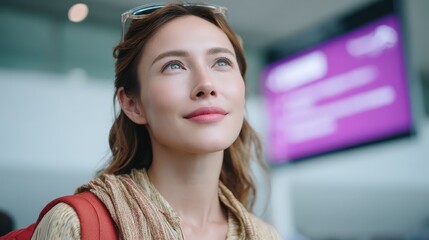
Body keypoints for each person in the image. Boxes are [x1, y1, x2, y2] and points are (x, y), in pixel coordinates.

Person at [31, 2, 281, 239]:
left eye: (222, 62)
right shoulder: (75, 224)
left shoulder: (265, 236)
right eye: (174, 66)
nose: (206, 85)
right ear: (132, 104)